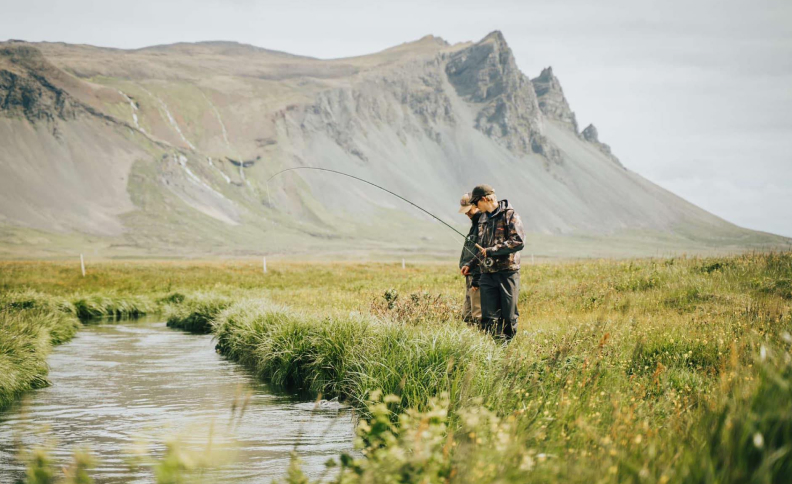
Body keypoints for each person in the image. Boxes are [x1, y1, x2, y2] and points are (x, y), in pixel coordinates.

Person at [469, 184, 525, 341]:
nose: (475, 206)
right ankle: (495, 350)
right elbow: (482, 248)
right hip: (487, 275)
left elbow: (518, 241)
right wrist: (471, 264)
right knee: (488, 317)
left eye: (475, 203)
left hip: (508, 273)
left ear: (485, 199)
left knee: (509, 316)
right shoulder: (483, 219)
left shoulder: (510, 215)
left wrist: (493, 250)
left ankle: (507, 350)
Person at [458, 193, 482, 326]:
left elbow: (483, 252)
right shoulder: (474, 225)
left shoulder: (482, 224)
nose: (467, 214)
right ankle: (470, 341)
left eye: (469, 210)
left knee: (476, 313)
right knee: (467, 315)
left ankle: (481, 342)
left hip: (477, 276)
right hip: (470, 274)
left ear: (476, 206)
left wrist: (477, 275)